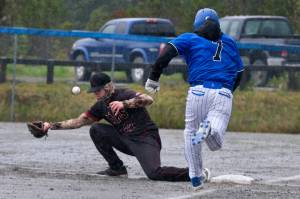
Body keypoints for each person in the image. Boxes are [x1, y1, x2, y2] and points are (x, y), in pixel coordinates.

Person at [145, 8, 244, 190]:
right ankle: (209, 129)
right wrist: (228, 92)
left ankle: (196, 176)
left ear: (197, 24)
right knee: (215, 142)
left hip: (198, 92)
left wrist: (154, 76)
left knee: (191, 132)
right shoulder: (229, 42)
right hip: (223, 92)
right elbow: (239, 74)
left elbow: (167, 53)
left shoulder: (190, 38)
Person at [42, 72, 189, 182]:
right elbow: (79, 121)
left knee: (154, 173)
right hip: (126, 140)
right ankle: (117, 168)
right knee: (96, 129)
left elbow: (148, 99)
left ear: (107, 87)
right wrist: (51, 126)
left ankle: (192, 174)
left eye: (98, 91)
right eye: (94, 92)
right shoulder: (100, 106)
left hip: (146, 139)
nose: (96, 95)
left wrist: (125, 104)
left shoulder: (125, 93)